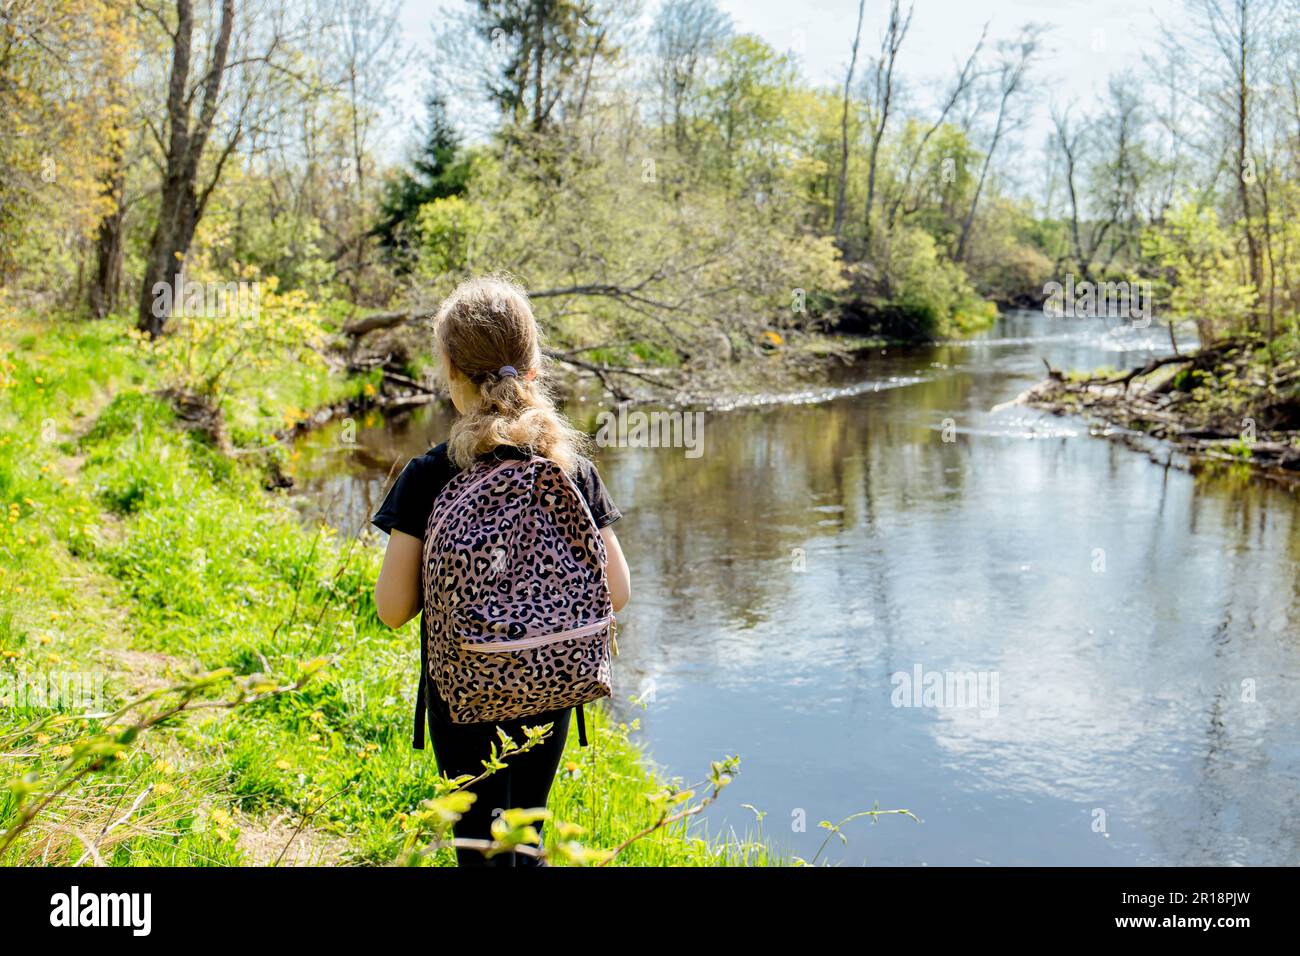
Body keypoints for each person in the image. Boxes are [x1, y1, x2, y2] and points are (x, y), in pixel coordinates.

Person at [371, 275, 631, 867]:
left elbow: (392, 610)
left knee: (479, 845)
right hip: (551, 680)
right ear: (534, 366)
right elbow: (616, 591)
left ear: (451, 375)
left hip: (464, 693)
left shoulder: (428, 476)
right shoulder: (569, 469)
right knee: (527, 834)